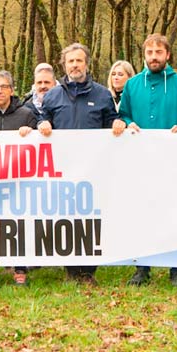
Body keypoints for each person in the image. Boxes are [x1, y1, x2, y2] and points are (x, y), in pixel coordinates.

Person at [113, 34, 177, 287]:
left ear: (167, 55)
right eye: (149, 52)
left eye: (159, 52)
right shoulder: (133, 84)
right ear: (144, 55)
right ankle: (142, 265)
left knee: (174, 210)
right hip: (141, 160)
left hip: (174, 160)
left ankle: (176, 266)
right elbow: (124, 114)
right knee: (142, 211)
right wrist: (127, 123)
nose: (154, 57)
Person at [38, 43, 118, 285]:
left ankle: (89, 271)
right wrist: (43, 124)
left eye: (79, 61)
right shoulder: (52, 95)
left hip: (94, 169)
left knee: (91, 218)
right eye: (70, 61)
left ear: (87, 63)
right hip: (62, 170)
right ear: (64, 64)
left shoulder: (103, 94)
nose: (75, 65)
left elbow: (112, 121)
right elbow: (43, 119)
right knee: (67, 218)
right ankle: (72, 271)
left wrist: (118, 124)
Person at [0, 71, 39, 286]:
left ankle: (20, 267)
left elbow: (40, 139)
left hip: (19, 180)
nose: (0, 91)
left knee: (19, 221)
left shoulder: (26, 113)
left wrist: (30, 131)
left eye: (4, 86)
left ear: (12, 90)